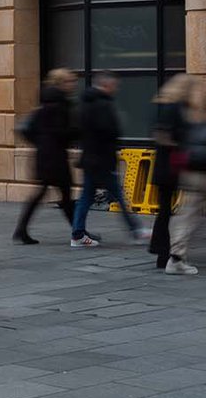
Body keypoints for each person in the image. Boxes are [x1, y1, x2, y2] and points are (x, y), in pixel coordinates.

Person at [71, 72, 144, 247]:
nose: (116, 89)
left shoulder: (85, 103)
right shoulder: (102, 104)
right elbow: (109, 131)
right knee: (116, 194)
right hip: (101, 160)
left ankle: (78, 234)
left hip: (91, 158)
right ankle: (135, 230)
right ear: (106, 85)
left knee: (88, 197)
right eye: (114, 85)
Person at [13, 67, 78, 245]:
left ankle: (21, 230)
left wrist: (41, 143)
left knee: (50, 194)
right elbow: (61, 132)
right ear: (60, 83)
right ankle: (78, 232)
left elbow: (29, 130)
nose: (73, 84)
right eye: (69, 81)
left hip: (45, 155)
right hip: (55, 157)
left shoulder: (45, 104)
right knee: (64, 195)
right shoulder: (59, 105)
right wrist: (76, 132)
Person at [149, 75, 196, 270]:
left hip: (167, 166)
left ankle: (161, 252)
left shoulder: (169, 106)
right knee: (168, 211)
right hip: (170, 167)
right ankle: (163, 252)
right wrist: (182, 146)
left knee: (166, 210)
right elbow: (162, 135)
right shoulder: (173, 108)